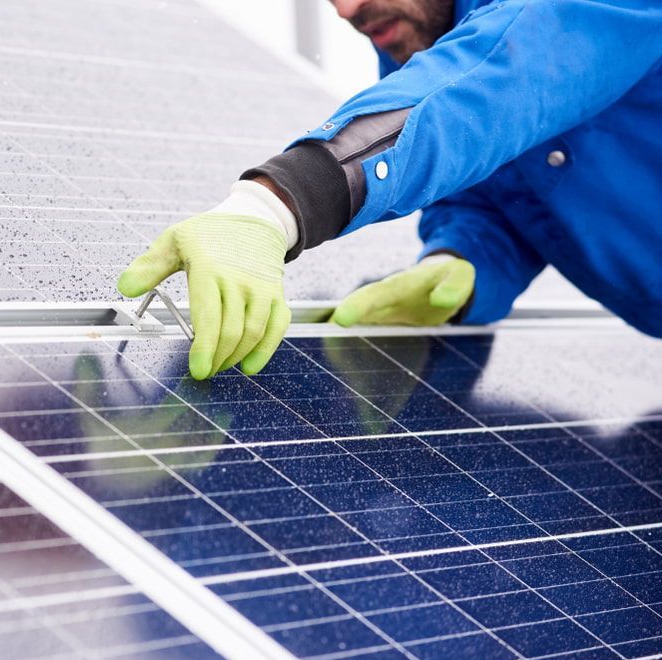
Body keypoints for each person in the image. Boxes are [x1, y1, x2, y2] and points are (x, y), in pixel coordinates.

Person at [116, 0, 662, 381]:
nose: (345, 9)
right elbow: (496, 189)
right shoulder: (423, 42)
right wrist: (464, 260)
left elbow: (505, 78)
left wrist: (274, 205)